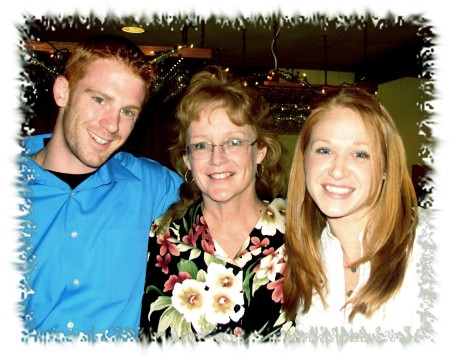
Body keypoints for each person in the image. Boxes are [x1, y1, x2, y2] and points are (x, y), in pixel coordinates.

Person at [19, 34, 183, 341]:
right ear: (62, 92)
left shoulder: (151, 185)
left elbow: (230, 207)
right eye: (99, 100)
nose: (112, 125)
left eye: (128, 111)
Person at [139, 66, 292, 343]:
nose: (217, 158)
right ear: (187, 159)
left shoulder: (302, 235)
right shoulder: (160, 239)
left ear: (260, 151)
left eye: (233, 142)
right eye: (201, 145)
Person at [283, 87, 433, 337]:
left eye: (360, 154)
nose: (338, 170)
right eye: (324, 150)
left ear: (387, 168)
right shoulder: (304, 261)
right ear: (304, 160)